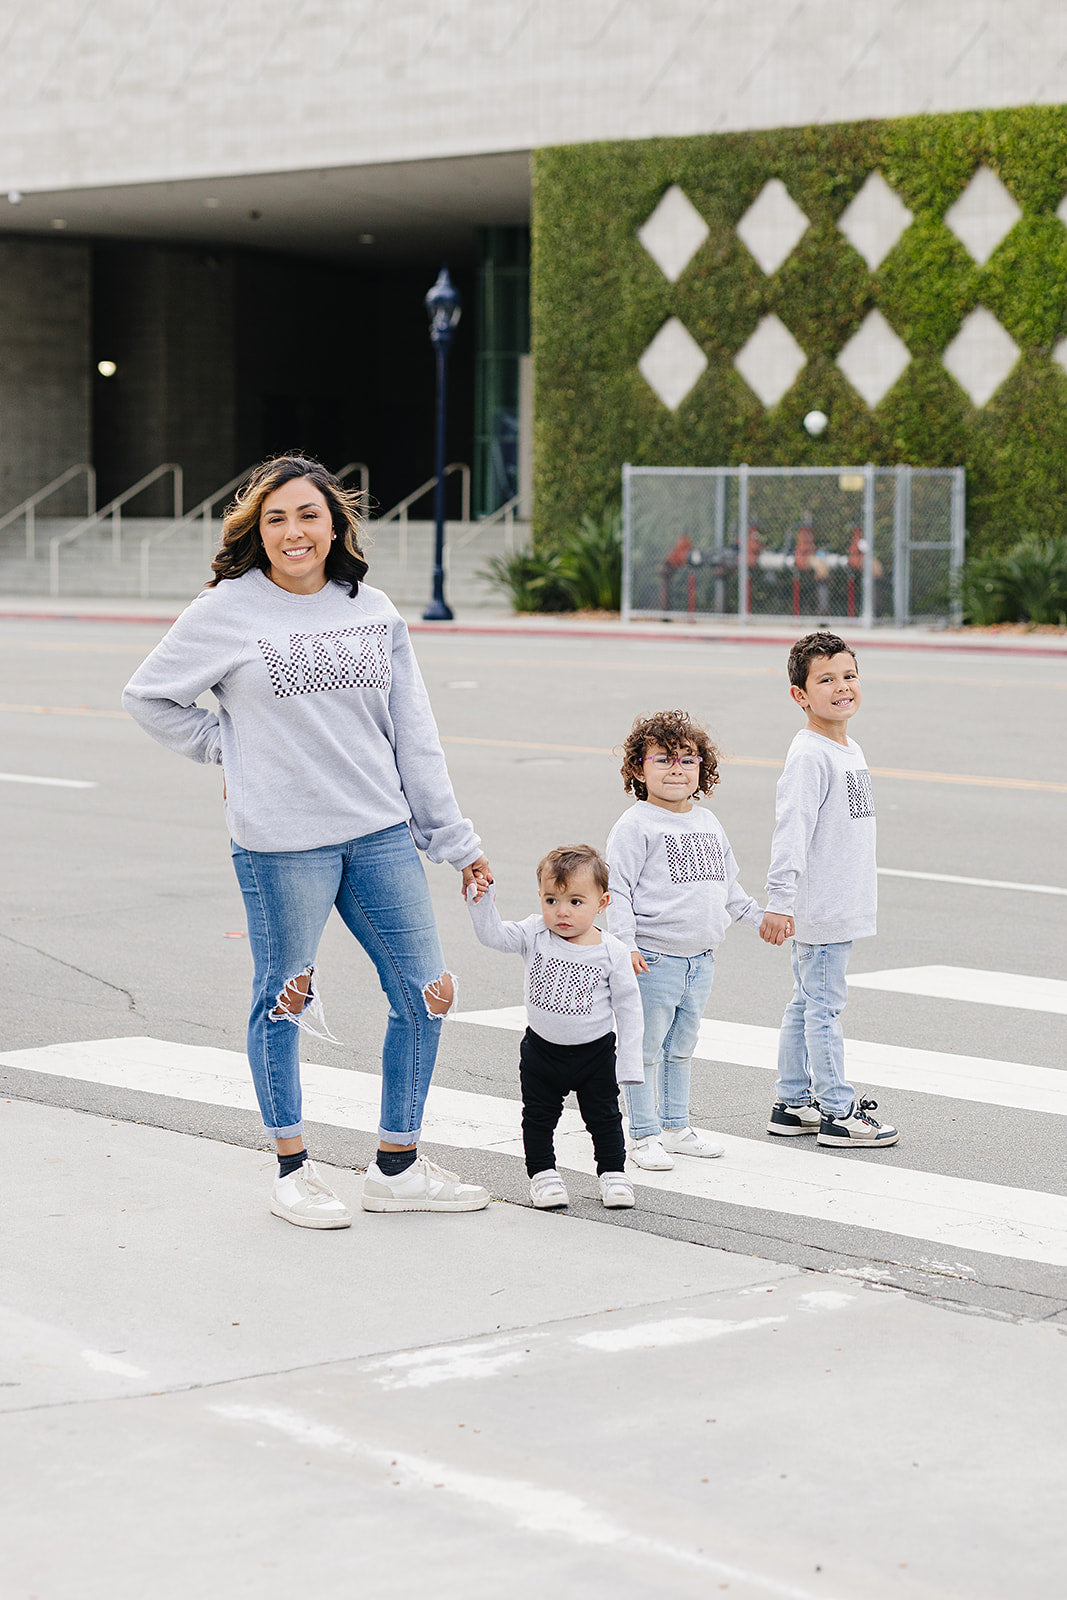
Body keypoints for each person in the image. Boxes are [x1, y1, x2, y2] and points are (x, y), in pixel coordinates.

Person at [122, 453, 494, 1228]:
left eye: (308, 515)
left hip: (380, 832)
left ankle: (396, 1167)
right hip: (283, 844)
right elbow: (149, 697)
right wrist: (229, 748)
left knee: (424, 996)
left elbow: (413, 737)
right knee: (282, 1001)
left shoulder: (374, 609)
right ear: (258, 531)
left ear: (335, 525)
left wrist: (453, 840)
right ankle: (292, 1168)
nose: (294, 531)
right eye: (276, 518)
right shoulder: (226, 609)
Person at [605, 710, 764, 1171]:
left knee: (681, 1047)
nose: (677, 769)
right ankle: (642, 1134)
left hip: (701, 959)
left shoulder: (709, 822)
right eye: (663, 760)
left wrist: (761, 919)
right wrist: (626, 945)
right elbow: (617, 891)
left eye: (688, 760)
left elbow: (729, 887)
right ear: (639, 768)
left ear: (702, 769)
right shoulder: (636, 826)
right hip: (652, 958)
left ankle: (676, 1127)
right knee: (643, 1049)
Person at [760, 631, 898, 1147]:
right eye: (826, 680)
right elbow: (789, 832)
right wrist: (779, 901)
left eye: (849, 676)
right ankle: (838, 1111)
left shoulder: (847, 746)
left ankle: (793, 1102)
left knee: (806, 1002)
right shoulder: (810, 756)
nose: (842, 687)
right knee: (823, 1007)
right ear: (800, 695)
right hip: (822, 908)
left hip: (840, 902)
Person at [467, 845, 641, 1210]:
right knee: (538, 1116)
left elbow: (629, 1009)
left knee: (605, 1117)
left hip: (594, 1053)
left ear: (602, 902)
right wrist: (482, 901)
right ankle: (543, 1175)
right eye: (551, 900)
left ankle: (613, 1174)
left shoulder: (612, 951)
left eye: (576, 901)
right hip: (542, 1051)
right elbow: (493, 936)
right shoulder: (534, 933)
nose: (561, 912)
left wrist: (630, 1062)